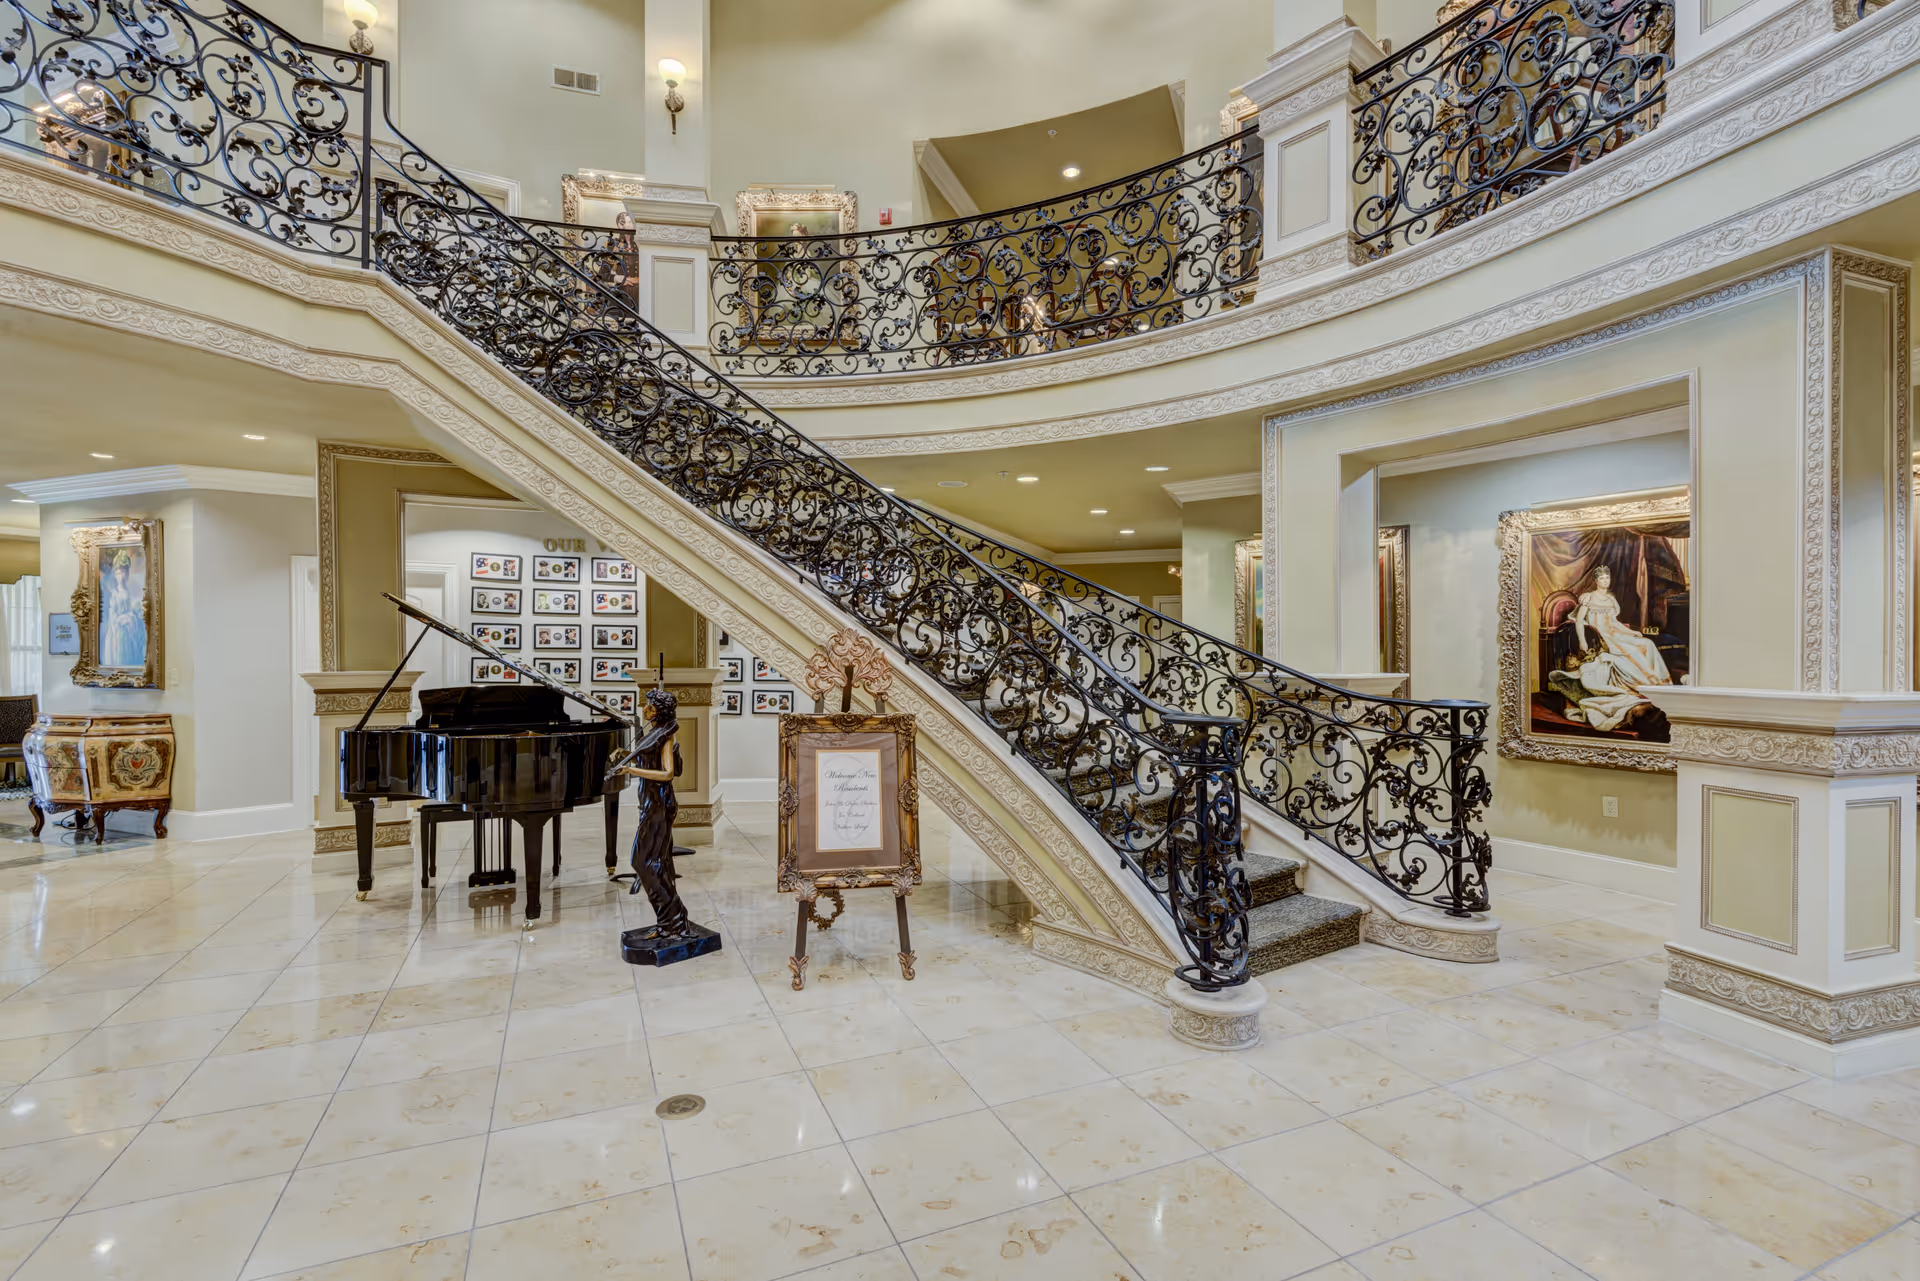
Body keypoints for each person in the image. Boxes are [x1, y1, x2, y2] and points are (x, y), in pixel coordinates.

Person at [1549, 565, 1673, 732]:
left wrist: (1631, 632)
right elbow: (1579, 621)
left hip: (1613, 632)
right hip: (1600, 635)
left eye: (1607, 578)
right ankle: (1641, 684)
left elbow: (1615, 623)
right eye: (1601, 578)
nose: (1605, 581)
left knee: (1647, 643)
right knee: (1633, 651)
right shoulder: (1588, 598)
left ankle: (1658, 682)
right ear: (1595, 581)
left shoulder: (1611, 600)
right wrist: (1582, 641)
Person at [619, 687, 688, 939]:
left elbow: (667, 774)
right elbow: (649, 760)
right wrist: (628, 757)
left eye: (649, 706)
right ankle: (673, 920)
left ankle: (672, 921)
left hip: (659, 802)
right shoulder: (654, 732)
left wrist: (631, 771)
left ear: (660, 710)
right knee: (659, 863)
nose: (644, 709)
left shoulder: (666, 735)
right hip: (651, 802)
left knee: (643, 861)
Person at [100, 549, 145, 667]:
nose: (122, 576)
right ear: (115, 574)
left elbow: (131, 610)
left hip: (127, 631)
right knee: (118, 655)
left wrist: (130, 617)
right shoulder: (114, 593)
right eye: (119, 573)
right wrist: (120, 620)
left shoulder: (128, 592)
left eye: (125, 572)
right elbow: (112, 614)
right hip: (117, 631)